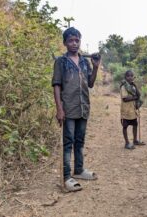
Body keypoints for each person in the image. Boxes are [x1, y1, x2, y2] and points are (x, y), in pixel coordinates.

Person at [52, 27, 100, 192]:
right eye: (71, 40)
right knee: (68, 143)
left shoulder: (85, 62)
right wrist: (59, 109)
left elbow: (91, 84)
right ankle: (66, 177)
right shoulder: (61, 61)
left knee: (80, 141)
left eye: (77, 40)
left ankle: (79, 170)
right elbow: (57, 86)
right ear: (65, 43)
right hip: (68, 108)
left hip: (83, 106)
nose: (74, 43)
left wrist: (95, 67)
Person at [120, 70, 145, 150]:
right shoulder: (123, 87)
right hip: (126, 110)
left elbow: (139, 95)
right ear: (125, 77)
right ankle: (127, 143)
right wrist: (135, 97)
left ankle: (135, 140)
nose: (130, 77)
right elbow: (125, 99)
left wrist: (136, 86)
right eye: (128, 76)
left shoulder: (133, 87)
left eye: (131, 76)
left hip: (133, 110)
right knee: (125, 126)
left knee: (135, 124)